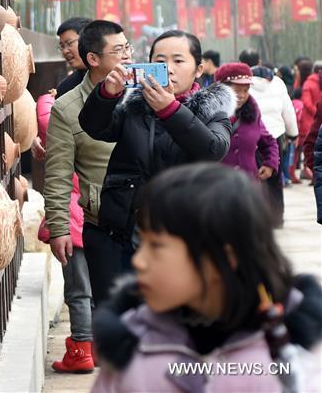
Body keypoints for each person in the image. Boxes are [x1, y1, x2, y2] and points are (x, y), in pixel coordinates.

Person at [91, 164, 322, 392]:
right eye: (143, 242)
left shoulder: (294, 360)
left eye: (156, 246)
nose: (139, 261)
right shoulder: (132, 346)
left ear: (222, 258)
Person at [79, 30, 234, 304]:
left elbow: (212, 149)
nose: (169, 69)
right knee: (120, 322)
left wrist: (170, 110)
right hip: (122, 235)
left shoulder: (213, 111)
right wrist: (106, 94)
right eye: (160, 61)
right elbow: (94, 126)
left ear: (198, 69)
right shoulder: (133, 108)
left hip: (183, 239)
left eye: (178, 61)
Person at [41, 20, 130, 372]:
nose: (127, 56)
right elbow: (59, 172)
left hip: (150, 219)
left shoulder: (146, 94)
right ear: (93, 59)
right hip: (102, 221)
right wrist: (60, 227)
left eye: (128, 49)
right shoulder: (67, 108)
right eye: (118, 51)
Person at [240, 49, 298, 225]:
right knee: (274, 177)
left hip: (250, 135)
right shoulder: (277, 82)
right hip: (276, 135)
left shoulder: (241, 84)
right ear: (259, 60)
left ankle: (255, 217)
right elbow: (287, 110)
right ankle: (276, 217)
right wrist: (293, 133)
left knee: (251, 176)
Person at [31, 17, 91, 161]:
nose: (65, 51)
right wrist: (41, 137)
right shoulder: (66, 87)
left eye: (69, 43)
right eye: (62, 46)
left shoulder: (111, 79)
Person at [214, 62, 279, 183]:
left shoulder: (253, 113)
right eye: (236, 90)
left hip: (248, 187)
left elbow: (268, 141)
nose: (242, 95)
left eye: (246, 90)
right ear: (222, 89)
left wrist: (270, 163)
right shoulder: (208, 113)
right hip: (217, 187)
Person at [299, 61, 322, 180]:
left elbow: (306, 102)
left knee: (310, 144)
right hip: (315, 118)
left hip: (310, 119)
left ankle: (310, 172)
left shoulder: (308, 83)